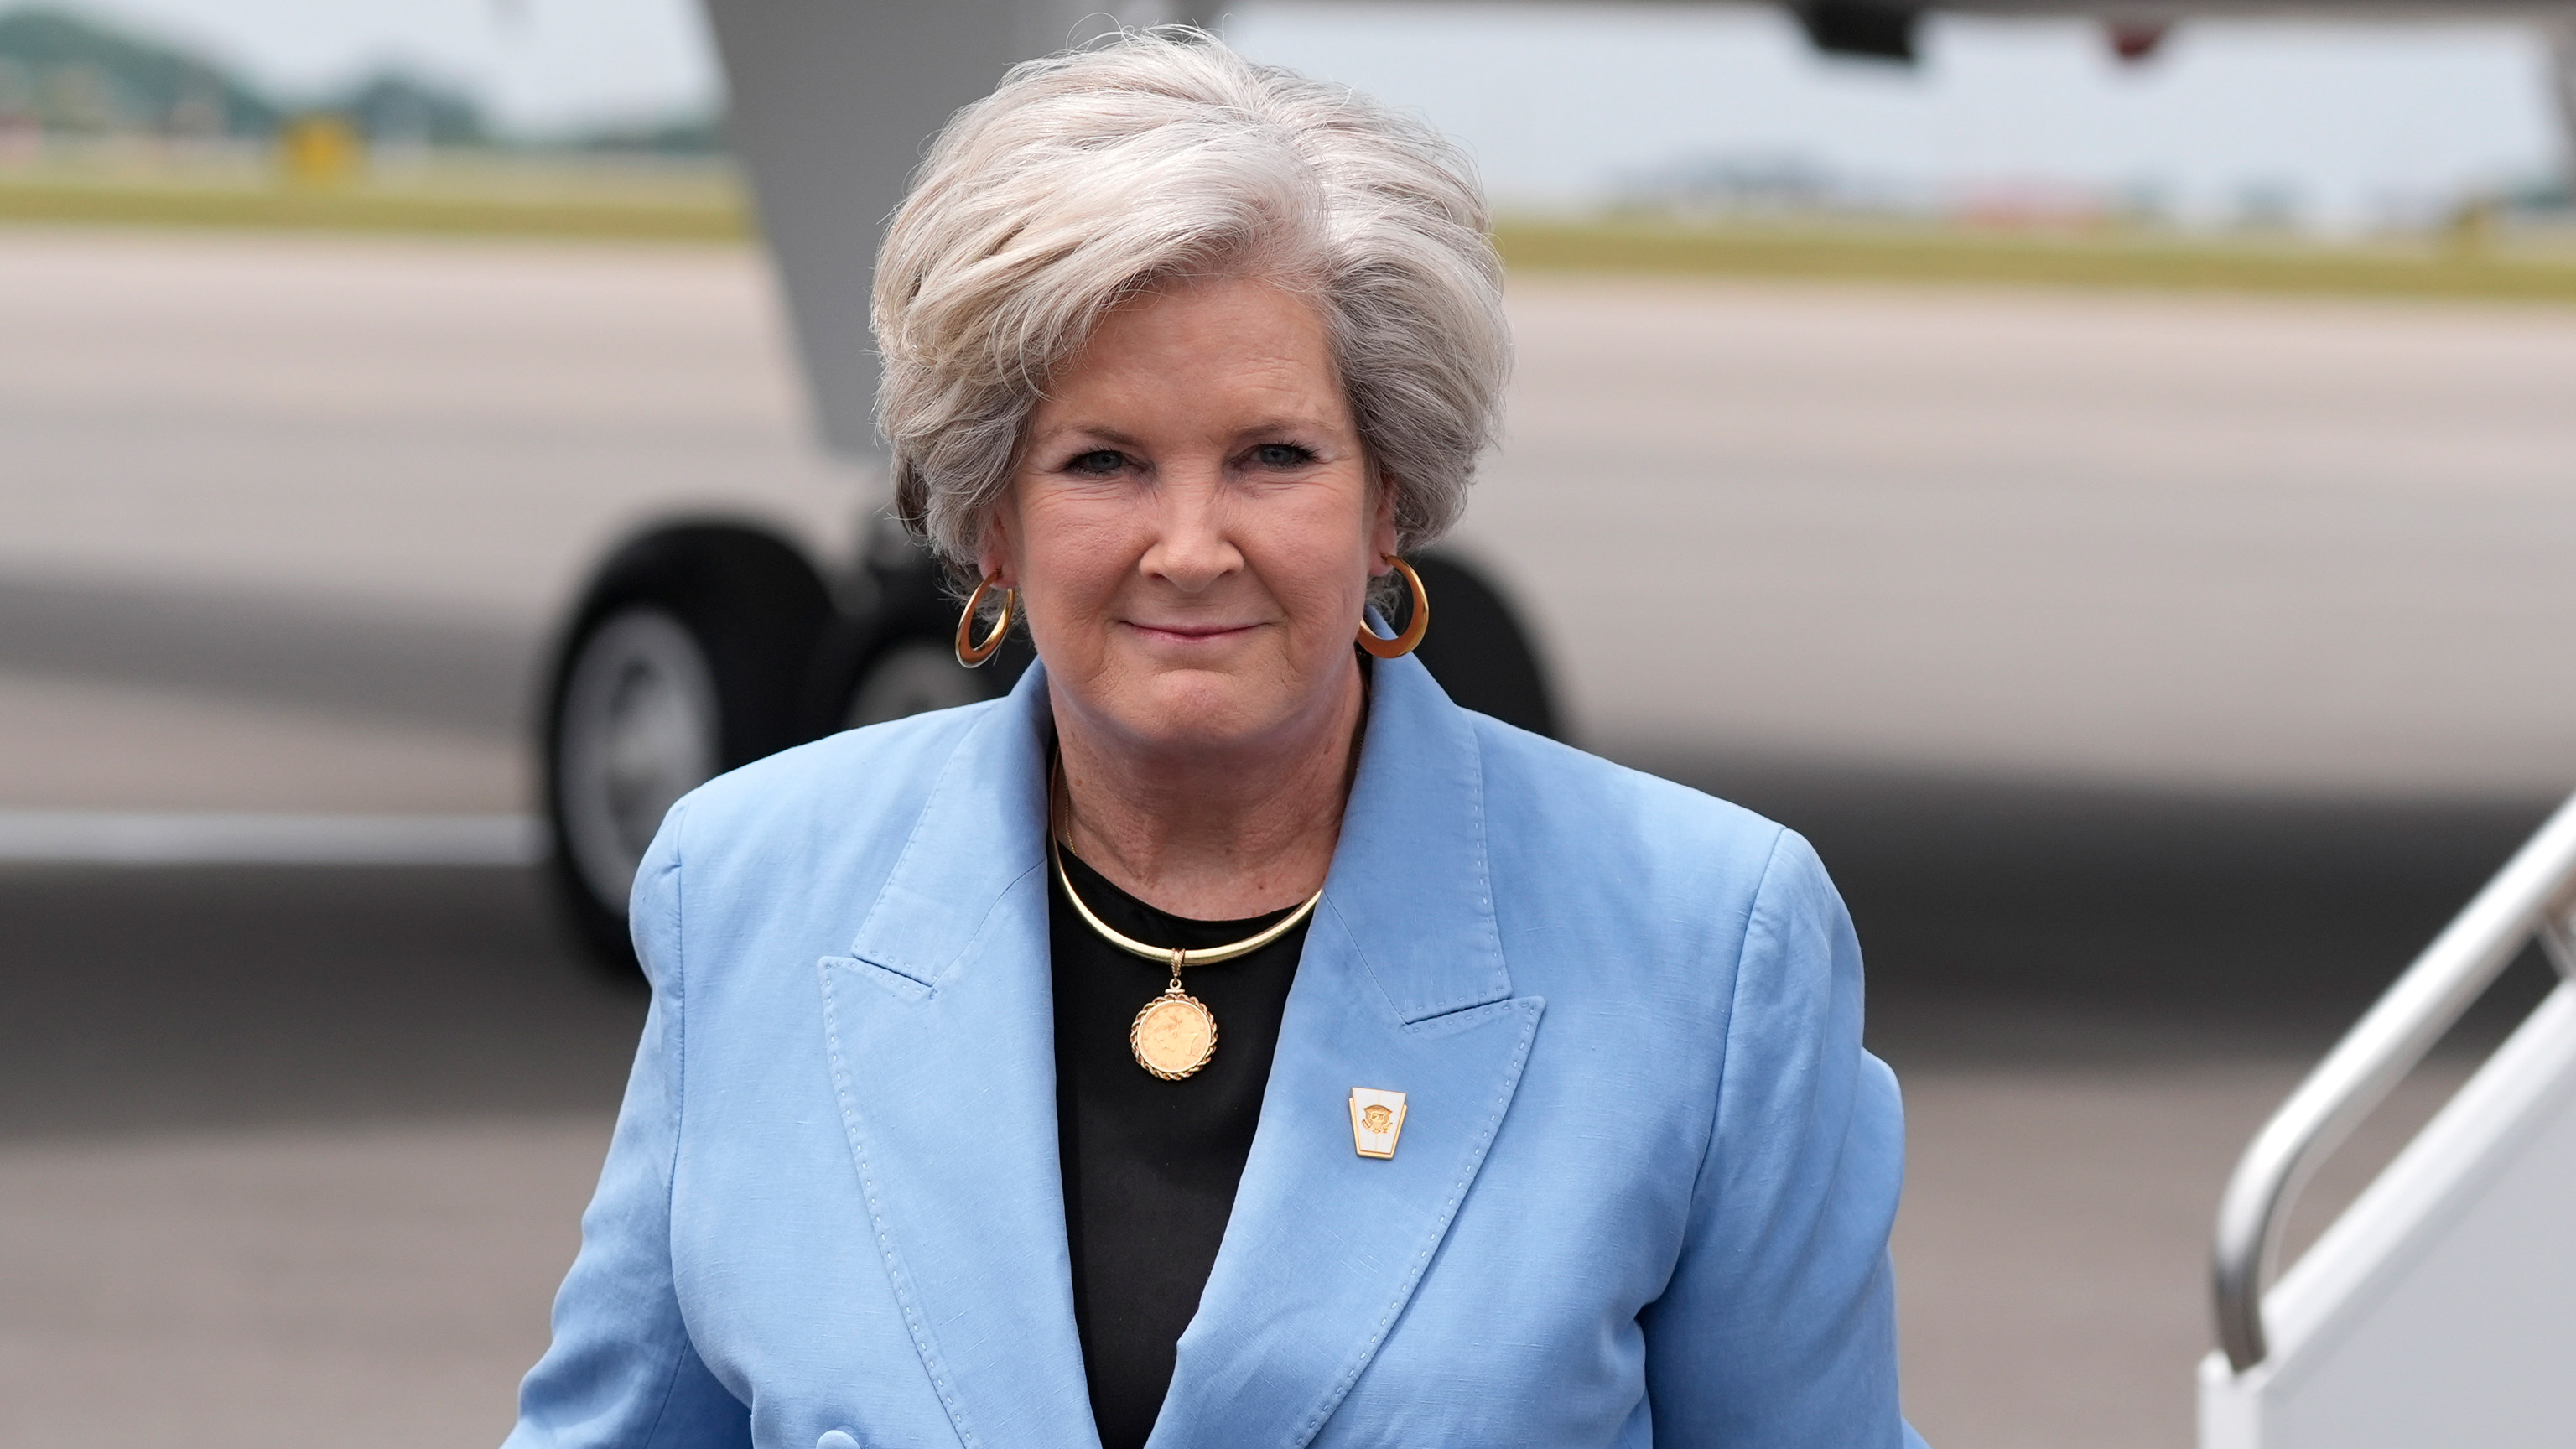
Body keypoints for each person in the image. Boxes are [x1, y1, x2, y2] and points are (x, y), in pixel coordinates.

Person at [506, 29, 1922, 1449]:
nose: (1191, 550)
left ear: (1392, 501)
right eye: (1103, 462)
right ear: (990, 520)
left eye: (1275, 457)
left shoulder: (1709, 943)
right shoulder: (752, 884)